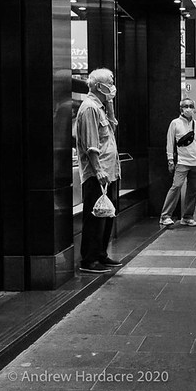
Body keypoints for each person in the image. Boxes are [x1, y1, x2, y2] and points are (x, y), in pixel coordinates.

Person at [75, 68, 123, 274]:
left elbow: (112, 127)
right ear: (98, 86)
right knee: (94, 217)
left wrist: (110, 104)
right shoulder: (89, 108)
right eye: (109, 82)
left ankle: (101, 254)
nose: (112, 85)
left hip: (109, 172)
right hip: (97, 173)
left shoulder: (101, 107)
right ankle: (89, 259)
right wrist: (99, 170)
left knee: (107, 215)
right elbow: (91, 144)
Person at [159, 98, 196, 229]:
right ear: (181, 109)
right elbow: (170, 142)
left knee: (193, 190)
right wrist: (170, 160)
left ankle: (187, 217)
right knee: (176, 186)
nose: (189, 108)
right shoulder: (175, 123)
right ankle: (165, 216)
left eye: (191, 106)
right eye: (186, 106)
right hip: (182, 162)